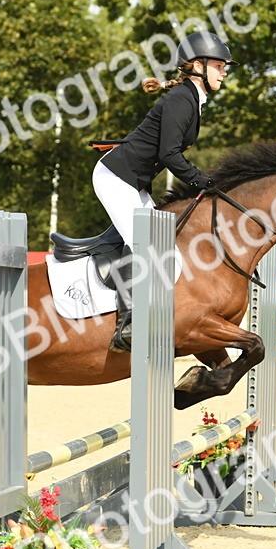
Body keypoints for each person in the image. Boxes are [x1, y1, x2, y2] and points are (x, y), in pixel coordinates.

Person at [94, 30, 234, 352]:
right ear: (198, 66)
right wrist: (204, 181)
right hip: (115, 177)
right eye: (220, 65)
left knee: (162, 243)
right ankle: (127, 323)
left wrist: (203, 180)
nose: (224, 71)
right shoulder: (181, 100)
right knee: (146, 245)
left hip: (133, 182)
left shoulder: (190, 98)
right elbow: (168, 154)